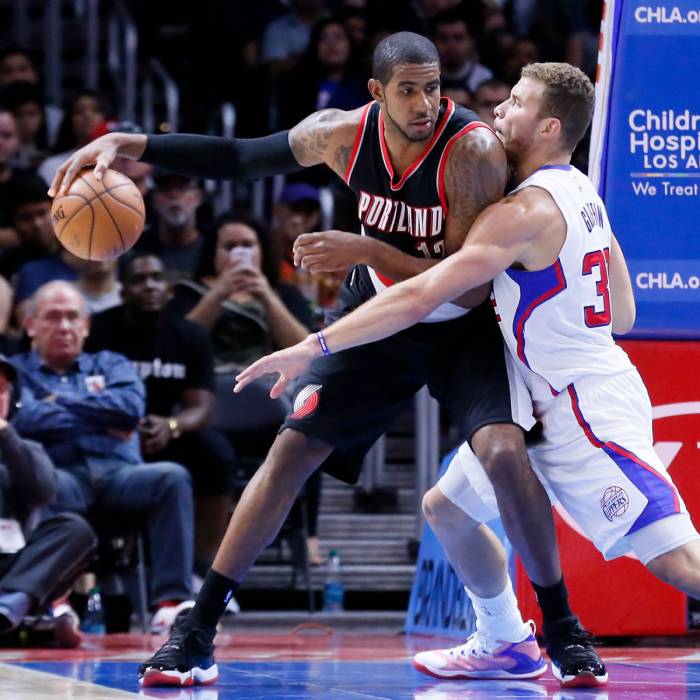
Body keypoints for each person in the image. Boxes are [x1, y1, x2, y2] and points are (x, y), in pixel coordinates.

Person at [49, 33, 596, 688]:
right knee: (290, 451)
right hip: (381, 318)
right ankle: (197, 630)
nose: (425, 104)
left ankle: (562, 629)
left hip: (464, 323)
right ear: (376, 93)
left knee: (506, 454)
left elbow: (464, 281)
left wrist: (363, 251)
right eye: (408, 90)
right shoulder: (340, 136)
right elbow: (238, 156)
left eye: (434, 88)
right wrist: (132, 145)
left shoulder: (471, 149)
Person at [235, 61, 700, 689]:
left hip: (584, 411)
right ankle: (506, 640)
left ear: (549, 126)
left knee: (676, 558)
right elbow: (623, 309)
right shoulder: (583, 193)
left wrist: (314, 344)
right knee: (446, 507)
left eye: (515, 103)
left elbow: (420, 295)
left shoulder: (520, 212)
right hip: (554, 395)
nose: (499, 111)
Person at [11, 280, 196, 635]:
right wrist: (99, 416)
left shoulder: (113, 364)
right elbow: (22, 418)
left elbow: (128, 410)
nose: (64, 326)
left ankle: (172, 604)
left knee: (172, 476)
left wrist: (55, 404)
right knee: (37, 483)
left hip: (120, 475)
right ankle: (52, 601)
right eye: (52, 317)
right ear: (31, 325)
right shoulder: (14, 372)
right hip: (58, 473)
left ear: (86, 325)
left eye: (71, 317)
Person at [86, 254, 238, 580]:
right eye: (139, 280)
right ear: (123, 290)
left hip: (166, 433)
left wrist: (171, 426)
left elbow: (203, 406)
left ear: (169, 291)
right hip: (109, 436)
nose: (149, 286)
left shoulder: (190, 335)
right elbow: (84, 392)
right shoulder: (98, 329)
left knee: (217, 455)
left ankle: (202, 569)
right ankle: (96, 566)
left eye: (156, 278)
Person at [0, 353, 95, 647]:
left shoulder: (25, 448)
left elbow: (42, 491)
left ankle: (8, 609)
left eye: (1, 388)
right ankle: (37, 616)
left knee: (75, 529)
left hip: (15, 568)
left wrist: (6, 436)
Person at [431, 7, 493, 93]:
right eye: (443, 38)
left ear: (472, 42)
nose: (451, 46)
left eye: (458, 38)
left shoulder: (484, 78)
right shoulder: (423, 78)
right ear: (432, 42)